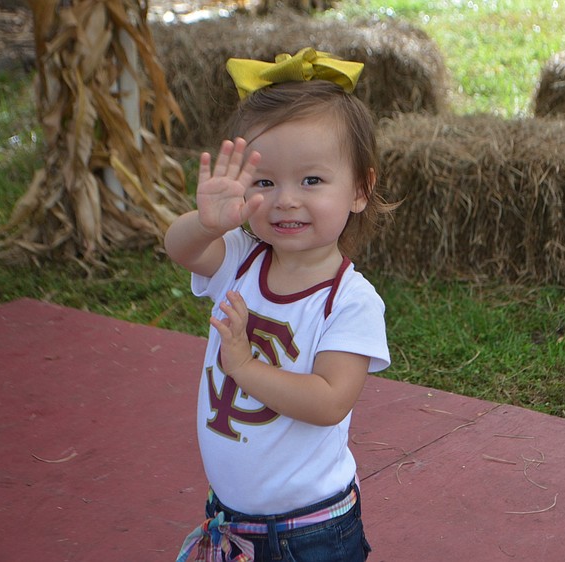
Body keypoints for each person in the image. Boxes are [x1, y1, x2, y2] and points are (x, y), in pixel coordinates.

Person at [168, 48, 394, 562]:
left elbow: (329, 400)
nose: (285, 199)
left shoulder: (350, 301)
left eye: (311, 180)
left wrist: (242, 365)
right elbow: (181, 249)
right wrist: (206, 223)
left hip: (309, 533)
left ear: (360, 188)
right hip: (229, 518)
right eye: (264, 182)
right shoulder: (241, 260)